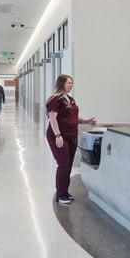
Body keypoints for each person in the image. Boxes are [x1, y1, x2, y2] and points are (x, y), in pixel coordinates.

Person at [46, 74, 96, 205]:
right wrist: (58, 135)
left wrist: (86, 121)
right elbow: (52, 119)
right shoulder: (55, 100)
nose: (71, 85)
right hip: (59, 136)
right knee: (63, 164)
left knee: (68, 165)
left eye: (72, 83)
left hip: (72, 136)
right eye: (69, 83)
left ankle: (65, 191)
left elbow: (74, 117)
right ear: (62, 83)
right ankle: (60, 195)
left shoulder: (71, 100)